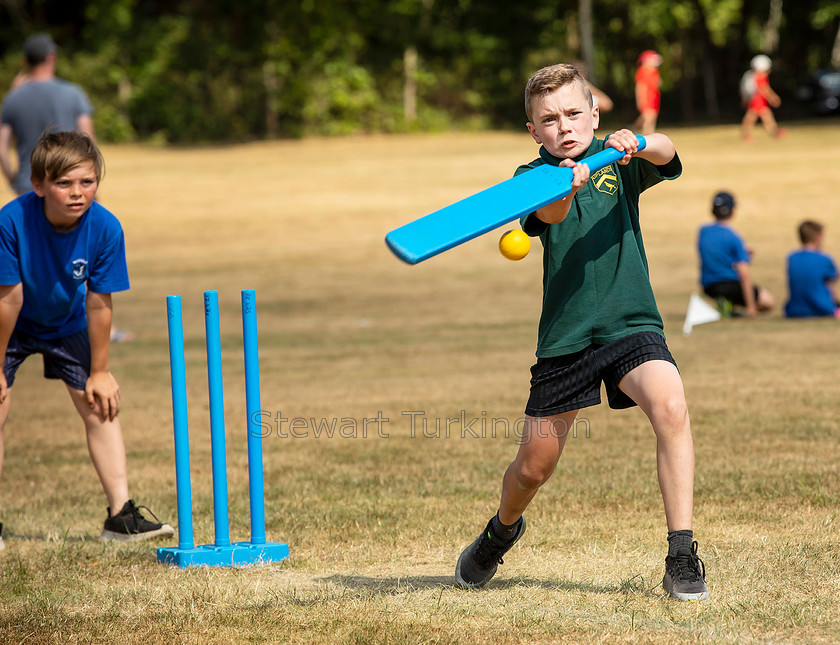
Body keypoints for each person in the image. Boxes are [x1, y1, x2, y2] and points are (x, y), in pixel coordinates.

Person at [454, 63, 709, 601]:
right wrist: (567, 186)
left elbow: (667, 151)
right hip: (566, 339)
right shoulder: (530, 179)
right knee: (533, 468)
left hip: (630, 323)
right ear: (533, 130)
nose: (564, 127)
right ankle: (501, 531)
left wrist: (637, 142)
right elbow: (546, 212)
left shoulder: (620, 161)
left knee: (671, 406)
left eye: (574, 113)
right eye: (549, 119)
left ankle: (682, 553)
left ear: (594, 115)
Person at [0, 131, 174, 550]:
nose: (78, 193)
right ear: (38, 185)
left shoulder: (105, 227)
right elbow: (9, 299)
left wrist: (100, 371)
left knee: (101, 405)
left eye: (87, 182)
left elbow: (99, 304)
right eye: (64, 184)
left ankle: (119, 517)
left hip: (68, 322)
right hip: (12, 322)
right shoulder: (11, 220)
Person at [0, 33, 95, 196]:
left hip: (28, 184)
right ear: (51, 57)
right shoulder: (73, 93)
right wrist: (88, 183)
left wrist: (12, 180)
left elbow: (2, 148)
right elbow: (88, 140)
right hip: (67, 184)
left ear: (26, 60)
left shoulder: (12, 98)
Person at [697, 191, 774, 317]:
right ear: (732, 211)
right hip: (729, 284)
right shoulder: (733, 237)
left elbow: (716, 252)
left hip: (709, 287)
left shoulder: (703, 231)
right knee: (768, 301)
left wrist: (742, 253)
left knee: (727, 292)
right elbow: (744, 274)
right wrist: (751, 307)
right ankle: (729, 305)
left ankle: (727, 306)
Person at [784, 220, 839, 318]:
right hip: (822, 309)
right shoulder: (824, 259)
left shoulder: (792, 257)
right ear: (817, 237)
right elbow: (831, 281)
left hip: (794, 310)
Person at [740, 54, 785, 141]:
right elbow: (764, 89)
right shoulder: (760, 76)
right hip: (758, 99)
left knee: (763, 115)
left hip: (757, 99)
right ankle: (746, 134)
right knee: (754, 116)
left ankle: (774, 131)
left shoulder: (753, 76)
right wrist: (772, 98)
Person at [632, 50, 662, 135]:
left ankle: (635, 129)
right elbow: (640, 86)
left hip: (654, 97)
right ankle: (647, 134)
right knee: (648, 117)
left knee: (651, 117)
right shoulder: (642, 71)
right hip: (646, 97)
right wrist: (640, 99)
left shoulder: (654, 72)